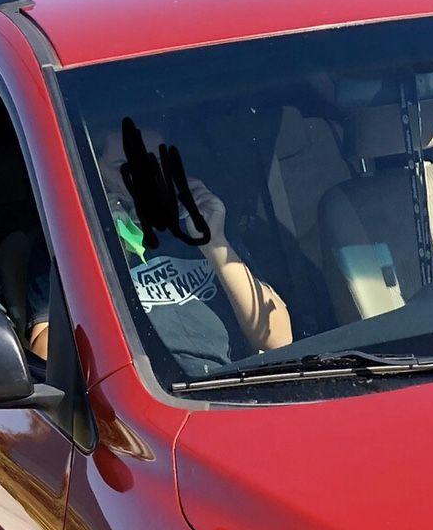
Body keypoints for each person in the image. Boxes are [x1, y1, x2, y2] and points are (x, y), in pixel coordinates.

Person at [66, 125, 293, 374]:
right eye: (124, 166)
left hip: (234, 384)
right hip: (151, 394)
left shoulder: (200, 222)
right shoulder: (75, 244)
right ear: (98, 175)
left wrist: (215, 242)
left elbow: (277, 339)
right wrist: (111, 249)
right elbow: (52, 359)